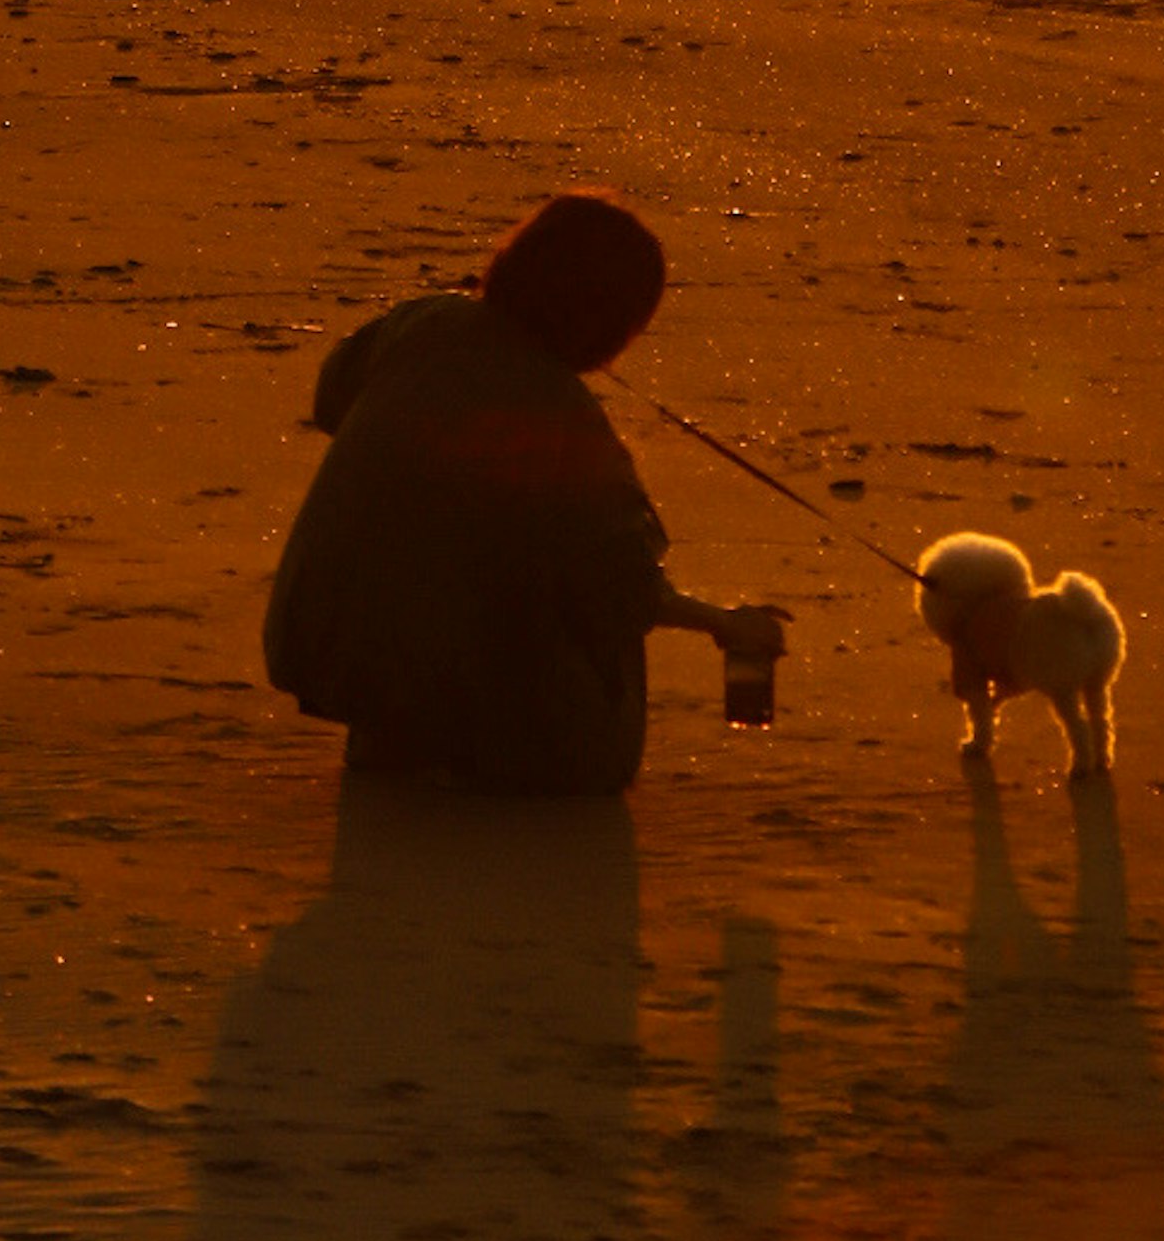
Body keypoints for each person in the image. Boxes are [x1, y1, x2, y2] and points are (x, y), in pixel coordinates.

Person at [264, 188, 785, 796]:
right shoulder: (565, 422)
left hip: (332, 650)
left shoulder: (422, 324)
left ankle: (397, 733)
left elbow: (332, 402)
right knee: (589, 635)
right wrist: (727, 624)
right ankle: (477, 746)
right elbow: (624, 590)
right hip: (463, 698)